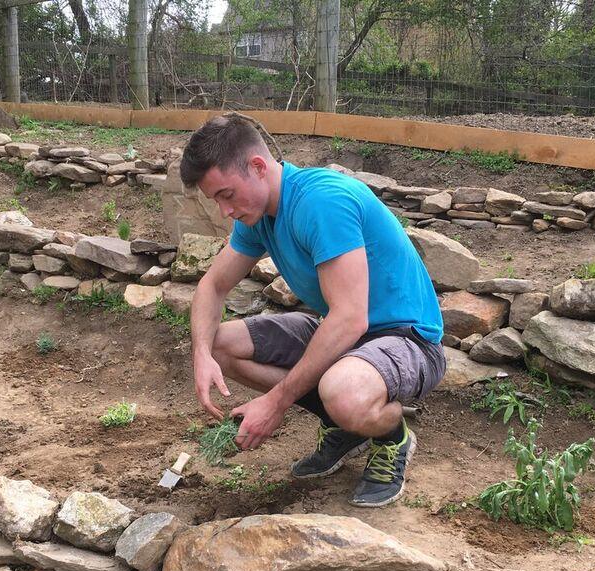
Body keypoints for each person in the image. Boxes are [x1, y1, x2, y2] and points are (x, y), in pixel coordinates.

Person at [181, 114, 446, 507]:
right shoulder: (258, 216)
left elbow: (350, 317)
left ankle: (392, 437)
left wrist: (276, 401)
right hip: (346, 338)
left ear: (257, 167)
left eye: (226, 194)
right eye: (216, 200)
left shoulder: (322, 201)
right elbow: (212, 285)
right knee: (221, 345)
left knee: (344, 391)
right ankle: (346, 428)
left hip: (406, 340)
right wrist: (201, 354)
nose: (224, 211)